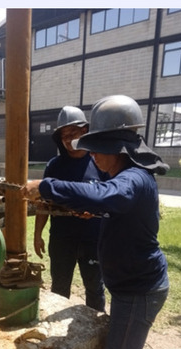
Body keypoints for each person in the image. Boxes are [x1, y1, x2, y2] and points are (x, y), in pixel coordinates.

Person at [21, 95, 169, 349]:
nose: (93, 159)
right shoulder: (123, 175)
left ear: (115, 148)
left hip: (138, 291)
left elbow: (113, 195)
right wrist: (98, 207)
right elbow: (110, 201)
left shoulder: (133, 178)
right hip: (129, 287)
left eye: (97, 150)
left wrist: (46, 186)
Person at [34, 106, 106, 311]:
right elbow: (43, 202)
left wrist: (94, 211)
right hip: (62, 239)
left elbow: (110, 198)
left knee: (94, 287)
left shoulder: (99, 162)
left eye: (72, 133)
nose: (67, 139)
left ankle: (98, 332)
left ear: (84, 132)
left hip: (93, 239)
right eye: (63, 135)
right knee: (59, 288)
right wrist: (37, 234)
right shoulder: (54, 165)